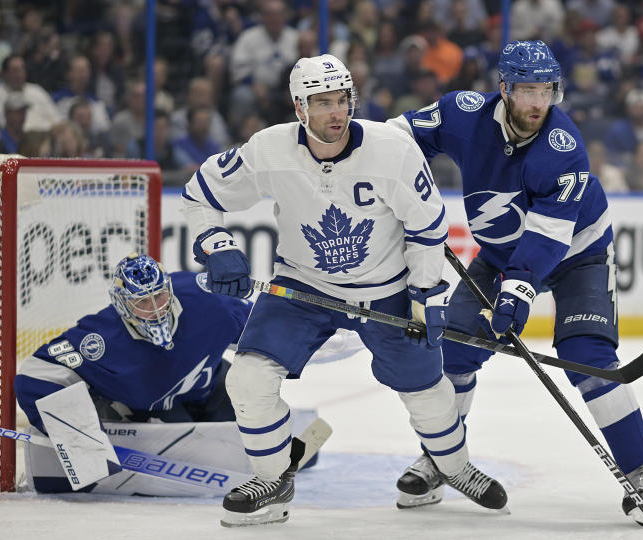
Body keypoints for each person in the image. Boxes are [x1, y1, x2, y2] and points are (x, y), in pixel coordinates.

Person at [181, 54, 507, 527]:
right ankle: (273, 481)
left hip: (386, 288)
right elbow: (199, 194)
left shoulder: (391, 149)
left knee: (426, 390)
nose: (337, 112)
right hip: (302, 285)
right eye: (323, 103)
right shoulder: (269, 150)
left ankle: (453, 468)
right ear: (299, 108)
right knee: (247, 378)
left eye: (343, 100)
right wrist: (217, 244)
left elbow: (427, 227)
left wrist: (425, 297)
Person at [388, 40, 643, 526]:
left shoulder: (563, 147)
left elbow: (548, 237)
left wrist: (516, 293)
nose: (537, 104)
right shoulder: (462, 114)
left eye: (546, 91)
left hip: (578, 254)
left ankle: (641, 473)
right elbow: (393, 141)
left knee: (588, 357)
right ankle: (443, 459)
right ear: (503, 89)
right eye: (526, 91)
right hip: (500, 255)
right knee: (453, 349)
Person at [15, 253, 354, 495]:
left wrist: (325, 336)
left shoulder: (206, 300)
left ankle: (270, 448)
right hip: (157, 408)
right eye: (142, 303)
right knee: (202, 440)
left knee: (252, 402)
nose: (156, 308)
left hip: (212, 383)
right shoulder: (100, 340)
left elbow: (262, 332)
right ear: (122, 304)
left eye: (160, 296)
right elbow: (36, 374)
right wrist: (79, 438)